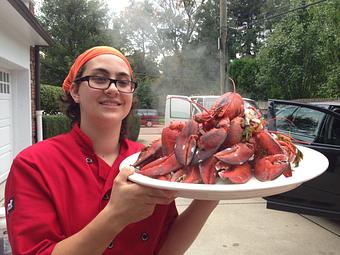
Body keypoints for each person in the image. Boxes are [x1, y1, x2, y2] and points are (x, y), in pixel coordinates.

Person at [5, 46, 219, 255]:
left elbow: (166, 248)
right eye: (99, 78)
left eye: (123, 81)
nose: (113, 88)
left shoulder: (152, 159)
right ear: (75, 91)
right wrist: (115, 215)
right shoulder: (33, 165)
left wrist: (210, 197)